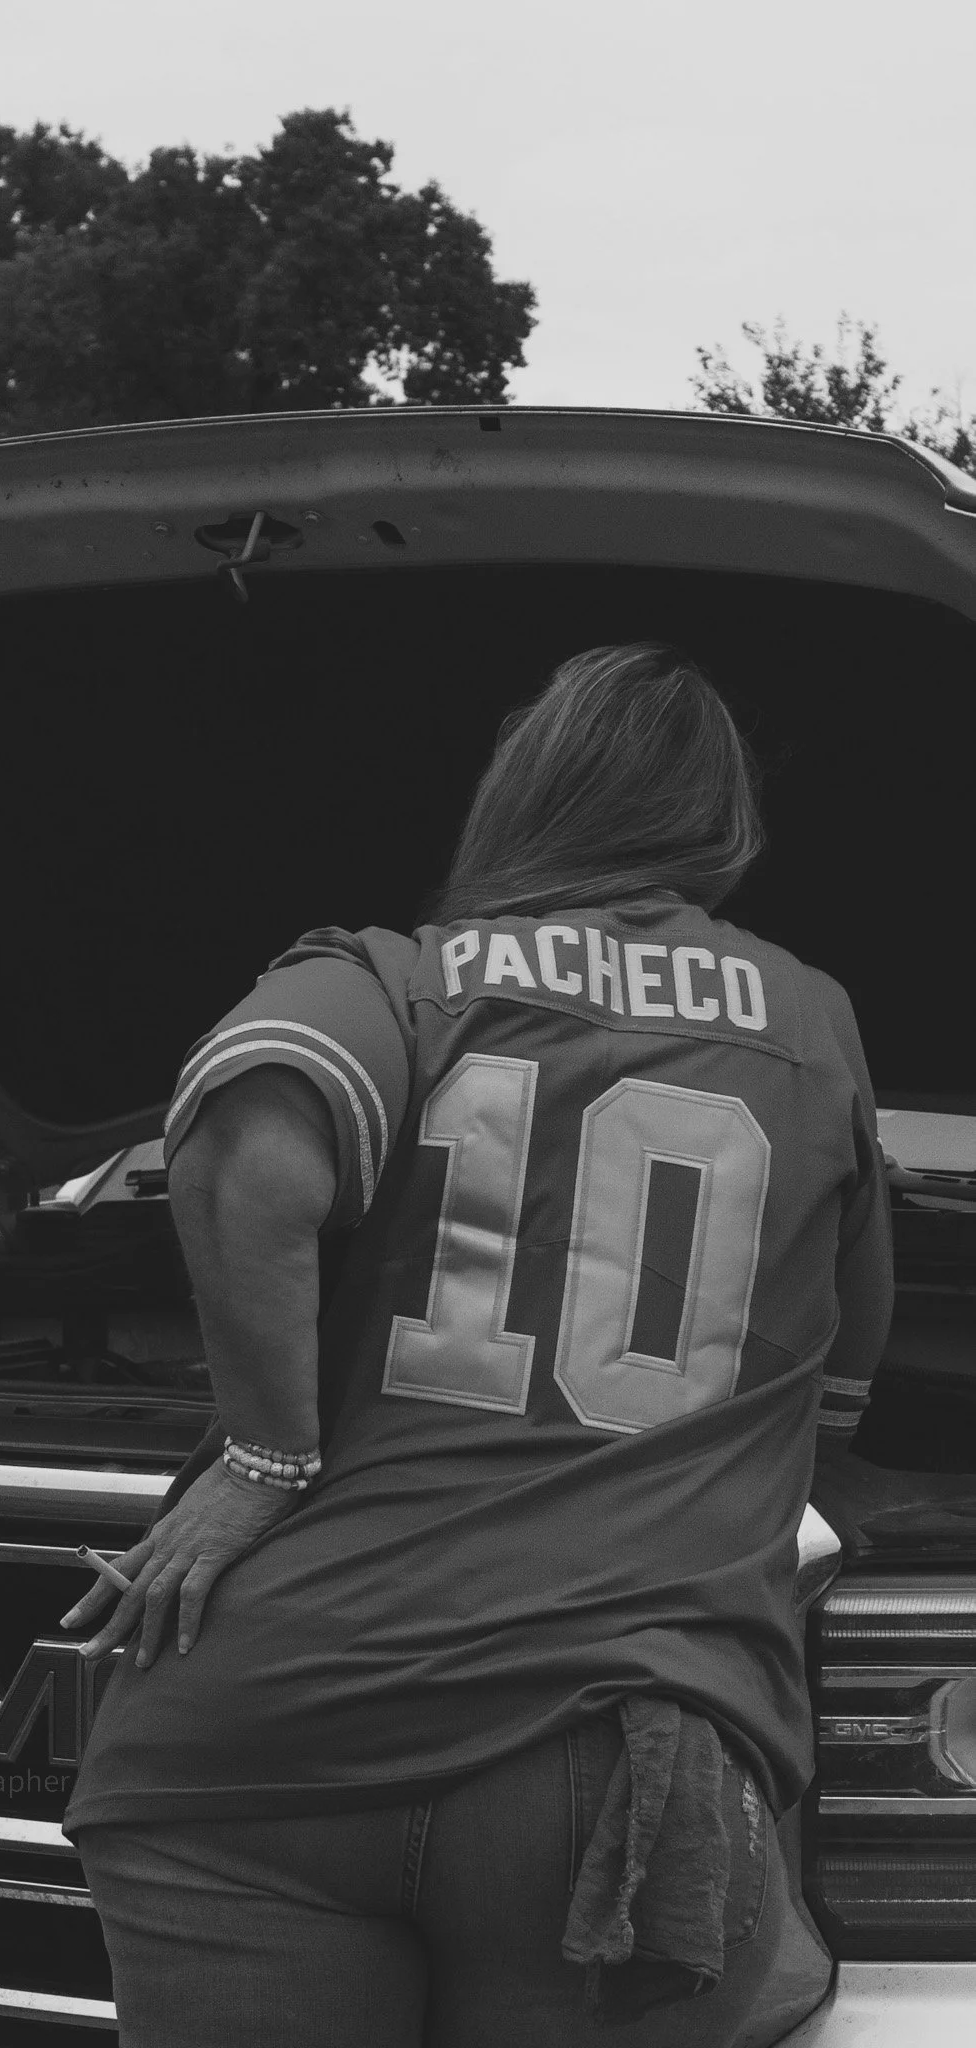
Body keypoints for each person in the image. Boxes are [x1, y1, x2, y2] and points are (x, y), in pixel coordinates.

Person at [60, 643, 892, 2047]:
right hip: (609, 1746)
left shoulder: (389, 977)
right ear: (724, 824)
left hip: (260, 1726)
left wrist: (265, 1458)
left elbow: (246, 1158)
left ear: (519, 795)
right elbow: (842, 1384)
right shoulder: (810, 1025)